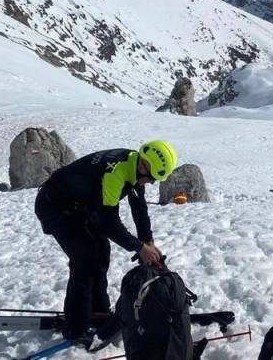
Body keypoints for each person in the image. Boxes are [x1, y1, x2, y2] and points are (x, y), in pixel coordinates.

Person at [34, 140, 178, 346]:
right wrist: (139, 248)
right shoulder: (117, 172)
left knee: (101, 251)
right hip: (54, 207)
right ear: (143, 168)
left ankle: (97, 313)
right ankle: (76, 329)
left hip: (79, 206)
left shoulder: (134, 162)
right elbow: (109, 223)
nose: (149, 183)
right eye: (151, 179)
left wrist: (148, 241)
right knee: (85, 259)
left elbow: (139, 207)